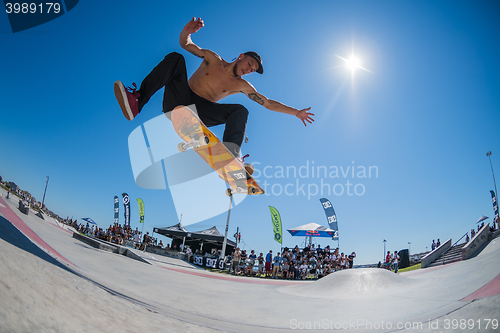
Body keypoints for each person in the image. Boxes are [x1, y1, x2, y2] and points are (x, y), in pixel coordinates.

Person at [114, 17, 314, 163]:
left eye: (251, 70)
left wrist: (296, 112)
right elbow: (186, 44)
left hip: (200, 112)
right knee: (176, 58)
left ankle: (231, 154)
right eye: (249, 64)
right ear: (242, 56)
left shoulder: (242, 85)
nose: (248, 70)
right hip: (179, 99)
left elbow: (267, 102)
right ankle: (137, 102)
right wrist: (187, 32)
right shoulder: (212, 59)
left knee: (241, 111)